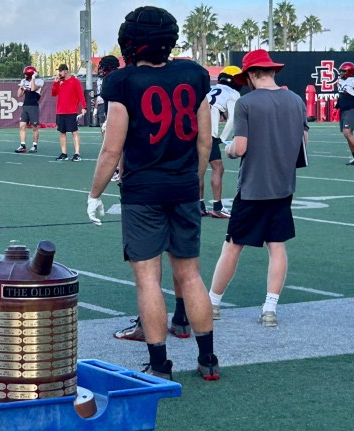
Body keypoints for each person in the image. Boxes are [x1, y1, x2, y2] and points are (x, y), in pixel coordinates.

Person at [87, 6, 219, 381]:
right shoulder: (194, 75)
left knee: (147, 278)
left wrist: (94, 193)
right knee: (190, 274)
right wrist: (189, 180)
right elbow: (205, 140)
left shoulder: (123, 81)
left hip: (143, 191)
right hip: (182, 186)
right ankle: (208, 358)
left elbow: (112, 148)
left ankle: (160, 364)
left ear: (131, 43)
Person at [208, 49, 308, 327]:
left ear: (252, 74)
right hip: (283, 186)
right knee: (277, 247)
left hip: (253, 186)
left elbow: (240, 147)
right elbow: (303, 144)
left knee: (233, 245)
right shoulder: (296, 100)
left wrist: (228, 150)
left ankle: (213, 303)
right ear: (273, 71)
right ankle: (270, 310)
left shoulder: (247, 103)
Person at [200, 65, 243, 218]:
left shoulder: (210, 89)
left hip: (194, 130)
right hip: (207, 134)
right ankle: (217, 207)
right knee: (217, 168)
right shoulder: (233, 93)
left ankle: (199, 205)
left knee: (199, 169)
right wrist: (223, 138)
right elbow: (232, 119)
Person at [51, 64, 87, 162]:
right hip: (60, 111)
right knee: (62, 132)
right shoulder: (59, 82)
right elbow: (53, 93)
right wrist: (55, 83)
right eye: (59, 71)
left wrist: (84, 107)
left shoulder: (75, 81)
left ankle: (77, 153)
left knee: (74, 132)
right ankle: (64, 153)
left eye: (60, 71)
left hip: (71, 111)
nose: (59, 73)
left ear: (65, 71)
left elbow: (80, 95)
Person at [95, 55, 122, 182]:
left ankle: (118, 170)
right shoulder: (122, 76)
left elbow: (107, 97)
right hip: (121, 113)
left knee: (114, 145)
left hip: (115, 114)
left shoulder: (110, 79)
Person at [336, 62, 354, 166]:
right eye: (341, 71)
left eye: (344, 71)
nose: (341, 73)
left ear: (350, 71)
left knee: (347, 132)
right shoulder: (340, 81)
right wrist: (337, 106)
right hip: (344, 109)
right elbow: (342, 96)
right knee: (348, 134)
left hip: (352, 109)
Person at [15, 65, 44, 153]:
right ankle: (22, 145)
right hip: (25, 106)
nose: (25, 76)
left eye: (27, 75)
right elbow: (19, 95)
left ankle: (34, 145)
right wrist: (21, 86)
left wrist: (33, 79)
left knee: (34, 127)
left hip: (33, 106)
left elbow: (33, 89)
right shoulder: (24, 81)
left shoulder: (39, 81)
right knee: (22, 126)